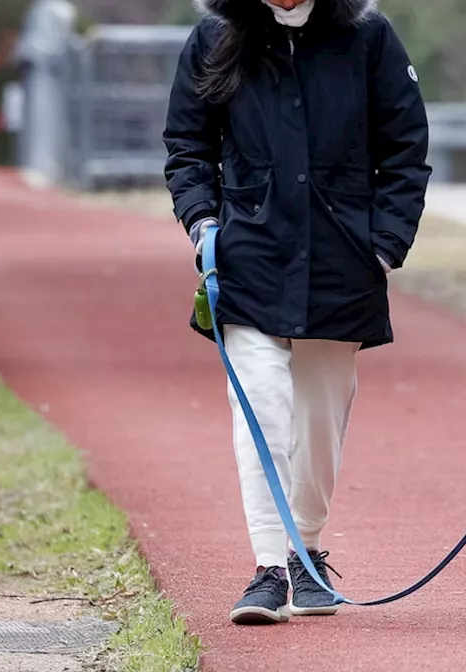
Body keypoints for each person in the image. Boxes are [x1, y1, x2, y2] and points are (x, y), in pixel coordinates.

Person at [163, 0, 430, 626]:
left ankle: (306, 551)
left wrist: (386, 245)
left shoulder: (368, 36)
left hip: (343, 259)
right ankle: (269, 570)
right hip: (248, 258)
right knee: (259, 405)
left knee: (318, 418)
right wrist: (203, 222)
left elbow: (406, 146)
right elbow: (187, 143)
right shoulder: (216, 35)